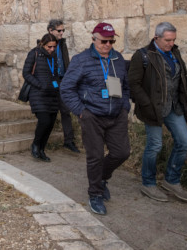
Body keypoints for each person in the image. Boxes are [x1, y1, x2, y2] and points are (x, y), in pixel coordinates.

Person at [60, 22, 131, 216]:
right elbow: (66, 89)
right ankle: (95, 194)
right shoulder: (81, 60)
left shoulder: (118, 59)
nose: (107, 45)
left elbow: (125, 86)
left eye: (111, 41)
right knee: (95, 157)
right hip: (92, 116)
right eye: (104, 41)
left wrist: (125, 106)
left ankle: (102, 178)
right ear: (94, 39)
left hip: (116, 115)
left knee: (122, 152)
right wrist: (82, 112)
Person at [128, 22, 187, 203]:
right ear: (156, 37)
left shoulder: (175, 52)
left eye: (173, 40)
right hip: (153, 109)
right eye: (167, 40)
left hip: (174, 107)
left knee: (184, 143)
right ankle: (148, 183)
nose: (171, 43)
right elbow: (133, 84)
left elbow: (182, 79)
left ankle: (171, 181)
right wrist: (147, 104)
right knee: (155, 146)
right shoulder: (142, 55)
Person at [23, 34, 61, 161]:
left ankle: (42, 149)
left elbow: (55, 72)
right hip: (38, 93)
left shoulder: (54, 56)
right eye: (49, 46)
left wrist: (57, 85)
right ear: (43, 44)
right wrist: (40, 85)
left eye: (54, 47)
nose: (52, 49)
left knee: (50, 124)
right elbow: (26, 73)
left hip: (52, 94)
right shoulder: (34, 54)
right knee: (44, 121)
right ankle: (35, 144)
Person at [47, 19, 80, 153]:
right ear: (51, 30)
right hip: (50, 82)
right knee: (49, 111)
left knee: (66, 111)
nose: (61, 33)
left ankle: (69, 141)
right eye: (59, 30)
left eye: (63, 30)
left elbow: (65, 61)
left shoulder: (63, 44)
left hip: (63, 81)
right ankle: (44, 139)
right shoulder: (45, 44)